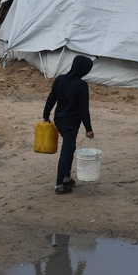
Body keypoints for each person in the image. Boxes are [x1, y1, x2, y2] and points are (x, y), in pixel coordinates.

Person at [43, 55, 95, 194]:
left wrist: (46, 115)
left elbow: (51, 98)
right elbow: (84, 109)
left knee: (70, 147)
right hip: (71, 124)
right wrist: (88, 129)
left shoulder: (60, 79)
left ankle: (67, 178)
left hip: (59, 120)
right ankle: (59, 185)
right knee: (66, 152)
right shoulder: (82, 86)